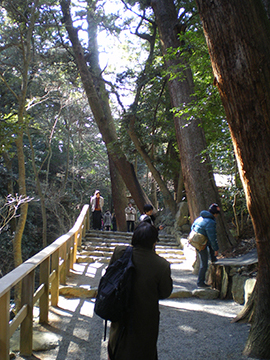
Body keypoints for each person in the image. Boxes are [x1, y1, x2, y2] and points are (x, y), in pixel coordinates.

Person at [108, 221, 173, 360]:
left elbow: (110, 275)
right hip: (145, 316)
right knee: (144, 349)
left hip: (119, 310)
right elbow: (165, 292)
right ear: (154, 241)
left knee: (117, 344)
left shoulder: (119, 252)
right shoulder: (161, 265)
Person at [191, 203, 220, 288]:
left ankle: (214, 259)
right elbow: (212, 237)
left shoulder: (199, 218)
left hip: (196, 242)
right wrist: (216, 249)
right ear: (215, 214)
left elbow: (192, 227)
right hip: (201, 244)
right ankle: (200, 282)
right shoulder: (210, 222)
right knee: (204, 263)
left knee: (204, 261)